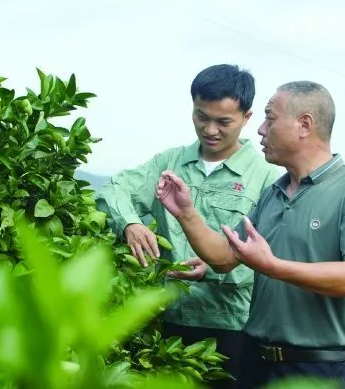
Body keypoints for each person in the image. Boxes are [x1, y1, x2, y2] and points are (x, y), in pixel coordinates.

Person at [154, 81, 345, 389]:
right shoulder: (273, 193)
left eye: (270, 118)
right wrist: (185, 211)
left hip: (314, 367)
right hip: (253, 361)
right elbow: (224, 257)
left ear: (304, 124)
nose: (261, 129)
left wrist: (271, 266)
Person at [95, 64, 280, 388]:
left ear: (247, 118)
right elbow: (115, 189)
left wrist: (212, 267)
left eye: (223, 122)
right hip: (166, 322)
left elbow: (270, 254)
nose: (209, 129)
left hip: (232, 327)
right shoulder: (170, 163)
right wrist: (131, 224)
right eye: (201, 116)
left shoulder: (264, 176)